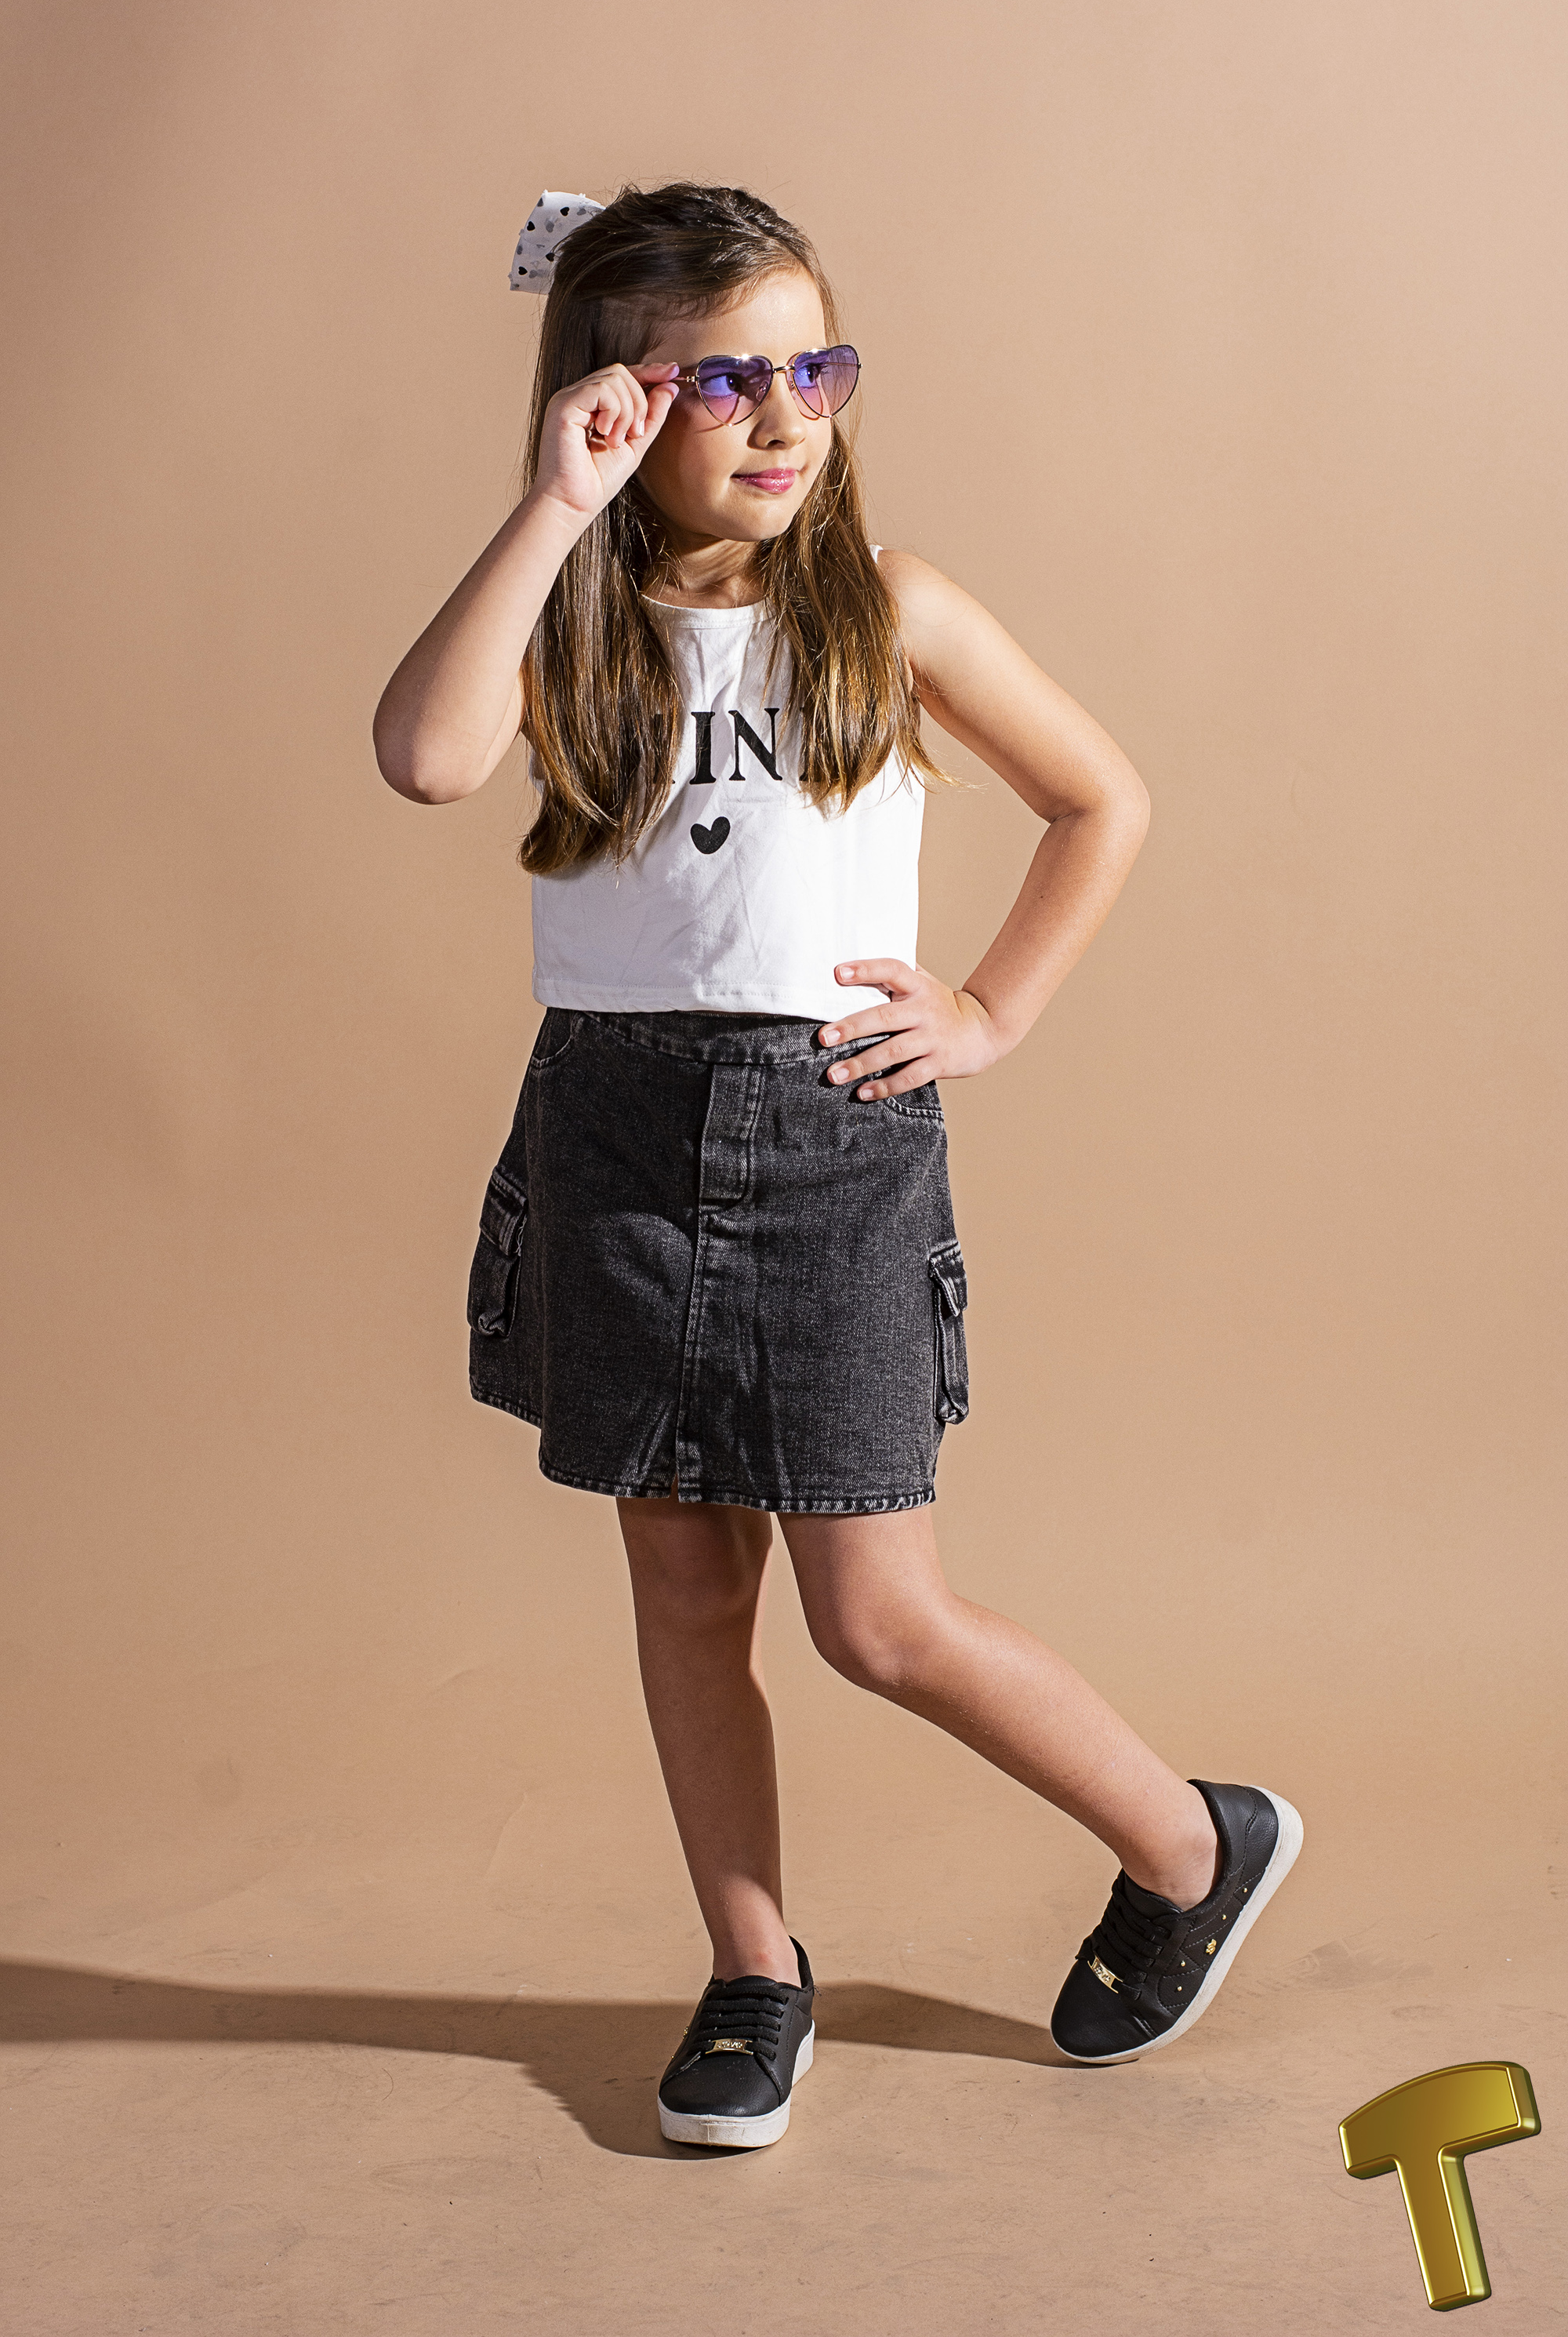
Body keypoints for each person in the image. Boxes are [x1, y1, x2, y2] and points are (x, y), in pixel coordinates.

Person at [372, 181, 1302, 2152]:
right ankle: (750, 1969)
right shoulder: (572, 610)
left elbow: (1099, 799)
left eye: (814, 369)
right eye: (723, 382)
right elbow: (428, 756)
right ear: (616, 400)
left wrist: (990, 1009)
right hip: (614, 1130)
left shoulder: (893, 604)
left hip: (829, 1138)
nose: (783, 416)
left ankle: (1190, 1841)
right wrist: (550, 506)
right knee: (679, 1579)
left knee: (874, 1619)